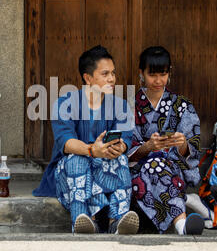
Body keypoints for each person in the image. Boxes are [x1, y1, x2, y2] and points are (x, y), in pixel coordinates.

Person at [33, 45, 139, 235]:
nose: (112, 79)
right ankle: (84, 221)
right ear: (88, 78)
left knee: (120, 159)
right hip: (70, 174)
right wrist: (92, 151)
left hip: (105, 168)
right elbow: (66, 142)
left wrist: (119, 147)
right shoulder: (65, 103)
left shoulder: (120, 106)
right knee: (78, 159)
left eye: (113, 73)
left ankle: (117, 222)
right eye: (105, 73)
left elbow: (125, 139)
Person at [128, 46, 217, 235]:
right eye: (152, 74)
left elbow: (192, 149)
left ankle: (182, 217)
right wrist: (147, 147)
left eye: (163, 74)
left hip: (173, 167)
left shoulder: (182, 105)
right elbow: (124, 147)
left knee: (158, 165)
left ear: (169, 73)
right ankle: (182, 220)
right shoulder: (129, 106)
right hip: (138, 170)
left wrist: (182, 144)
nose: (158, 80)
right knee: (153, 165)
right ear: (141, 73)